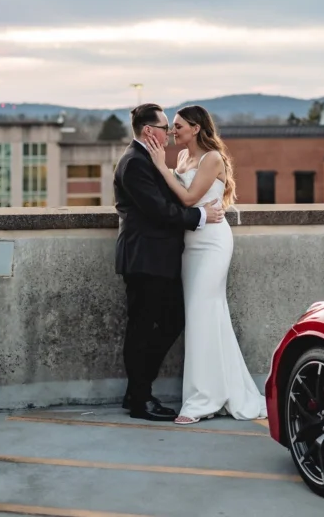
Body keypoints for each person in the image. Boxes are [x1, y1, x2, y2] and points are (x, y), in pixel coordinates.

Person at [145, 104, 267, 424]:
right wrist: (168, 169)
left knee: (202, 312)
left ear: (196, 128)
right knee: (209, 315)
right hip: (190, 244)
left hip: (213, 243)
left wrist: (161, 168)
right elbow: (178, 201)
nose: (173, 131)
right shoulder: (183, 158)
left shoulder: (212, 158)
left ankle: (201, 401)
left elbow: (187, 199)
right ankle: (223, 391)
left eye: (178, 125)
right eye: (171, 126)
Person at [114, 103, 225, 422]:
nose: (170, 133)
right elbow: (159, 211)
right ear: (149, 131)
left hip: (155, 257)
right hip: (145, 257)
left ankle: (137, 391)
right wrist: (201, 215)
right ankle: (140, 398)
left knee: (160, 323)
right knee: (144, 329)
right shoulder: (135, 162)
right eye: (165, 128)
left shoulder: (145, 158)